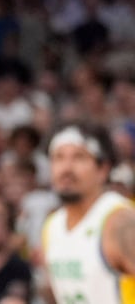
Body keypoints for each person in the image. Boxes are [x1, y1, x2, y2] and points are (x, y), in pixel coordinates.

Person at [40, 122, 135, 304]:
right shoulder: (51, 226)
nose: (66, 168)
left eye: (79, 157)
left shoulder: (120, 221)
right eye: (58, 158)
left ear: (103, 169)